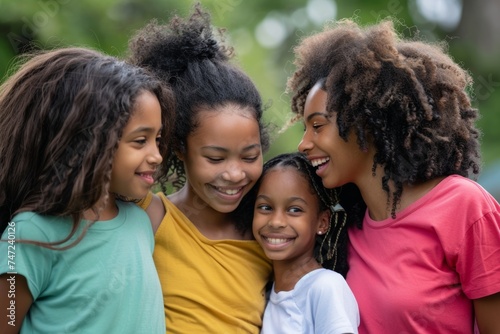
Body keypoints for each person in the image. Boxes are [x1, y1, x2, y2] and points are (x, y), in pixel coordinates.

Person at [287, 18, 500, 333]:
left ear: (365, 123)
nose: (303, 144)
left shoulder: (464, 207)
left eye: (318, 126)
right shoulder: (342, 226)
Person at [0, 47, 174, 333]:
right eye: (140, 140)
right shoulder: (29, 234)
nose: (156, 155)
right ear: (88, 141)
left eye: (157, 138)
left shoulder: (141, 222)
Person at [127, 4, 273, 333]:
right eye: (216, 158)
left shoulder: (267, 232)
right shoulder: (148, 219)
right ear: (179, 148)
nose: (235, 174)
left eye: (249, 156)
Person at [251, 152, 359, 333]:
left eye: (294, 209)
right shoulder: (266, 292)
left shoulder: (325, 287)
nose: (276, 222)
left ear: (322, 222)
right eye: (265, 207)